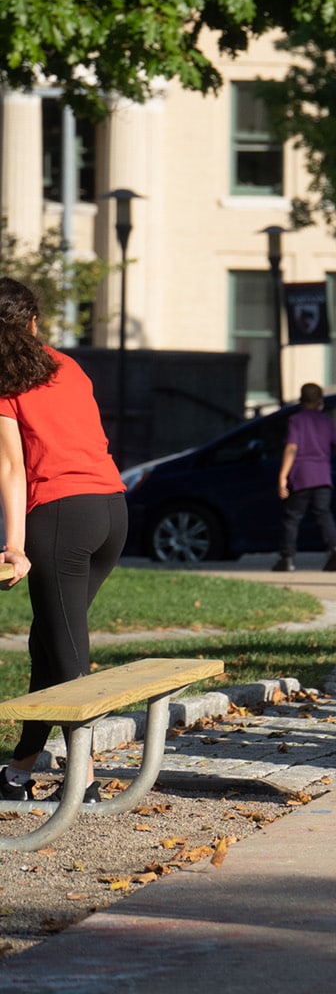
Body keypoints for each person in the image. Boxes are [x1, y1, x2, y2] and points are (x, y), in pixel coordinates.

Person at [0, 278, 127, 803]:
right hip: (113, 511)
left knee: (69, 654)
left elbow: (12, 467)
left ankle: (86, 782)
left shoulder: (4, 382)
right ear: (32, 322)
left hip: (61, 518)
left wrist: (14, 546)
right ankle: (19, 769)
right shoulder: (66, 366)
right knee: (48, 643)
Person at [274, 383, 336, 572]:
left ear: (302, 400)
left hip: (301, 475)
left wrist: (282, 477)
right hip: (323, 475)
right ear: (319, 401)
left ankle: (287, 558)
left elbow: (291, 447)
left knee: (292, 517)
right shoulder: (327, 421)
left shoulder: (296, 420)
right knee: (323, 514)